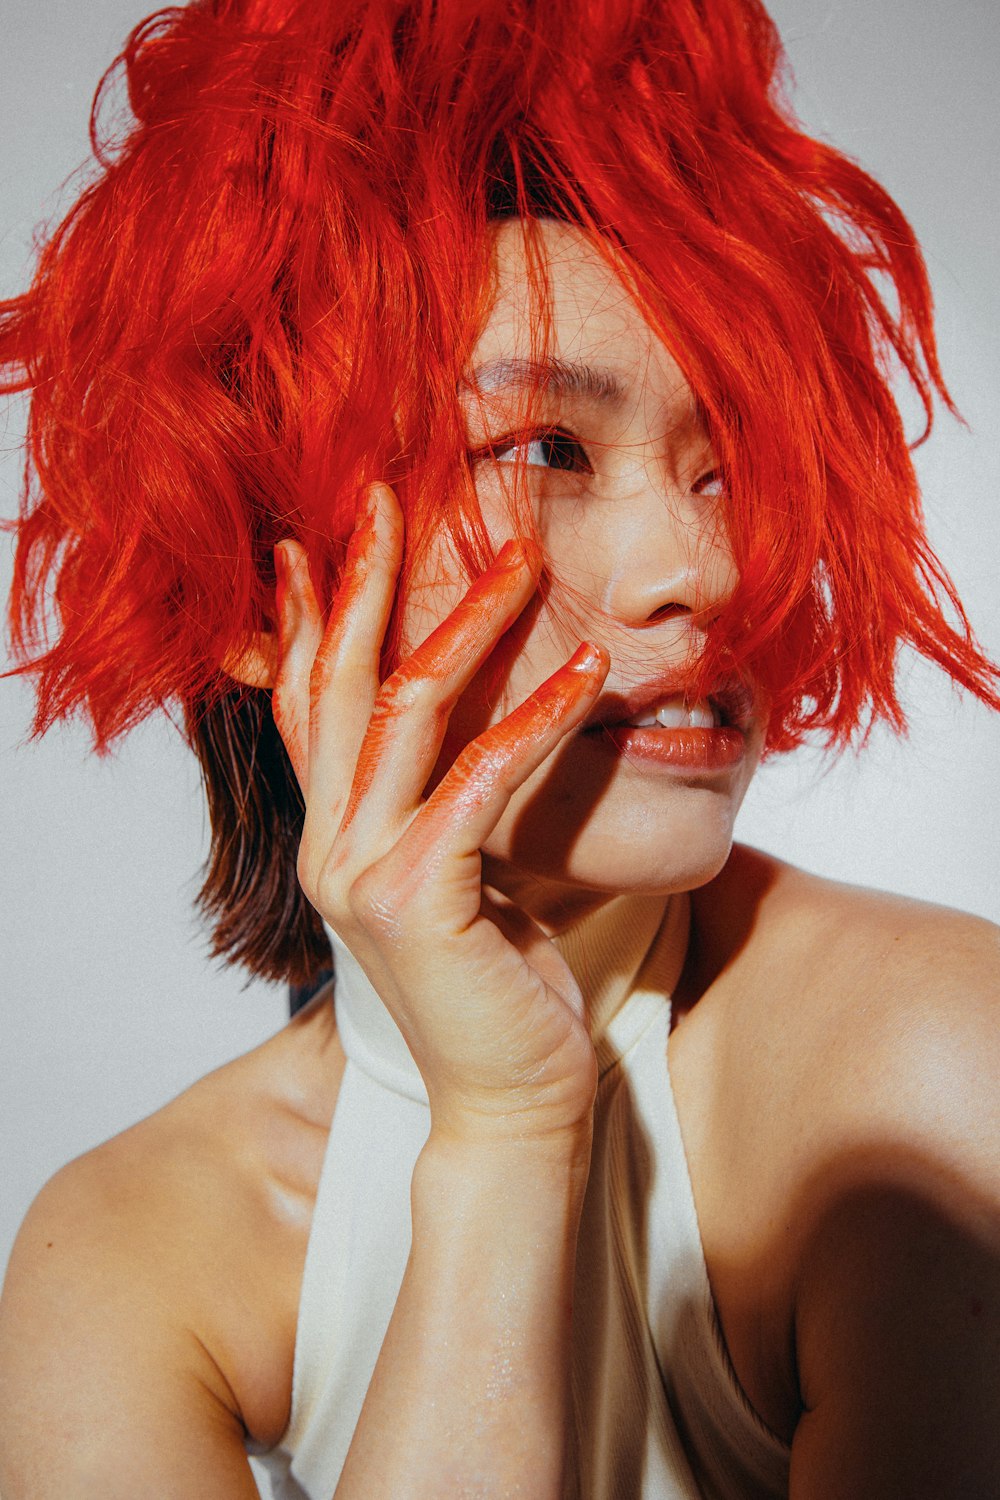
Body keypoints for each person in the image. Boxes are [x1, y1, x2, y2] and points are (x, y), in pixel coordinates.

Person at [1, 0, 998, 1495]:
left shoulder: (929, 1068)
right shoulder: (131, 1252)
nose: (706, 573)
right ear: (254, 581)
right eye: (547, 452)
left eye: (729, 463)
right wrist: (508, 1134)